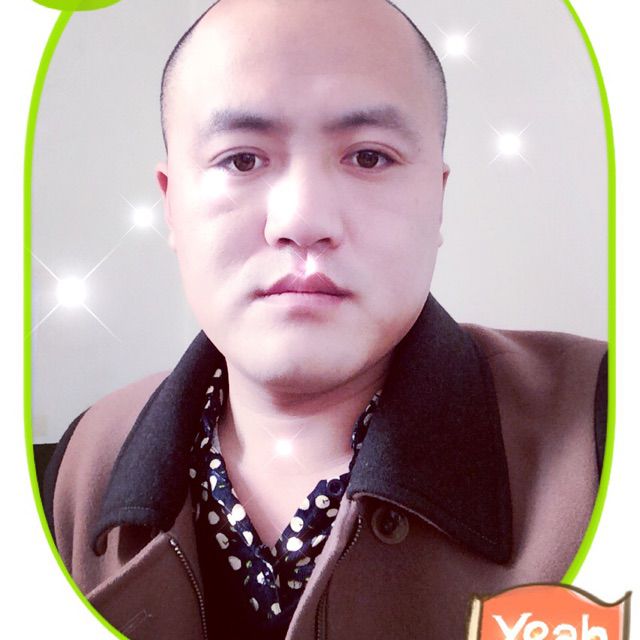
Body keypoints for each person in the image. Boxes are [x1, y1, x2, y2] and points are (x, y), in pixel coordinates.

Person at [43, 0, 608, 638]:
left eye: (369, 157)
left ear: (437, 198)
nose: (302, 220)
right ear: (172, 206)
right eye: (241, 160)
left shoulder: (602, 427)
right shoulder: (83, 463)